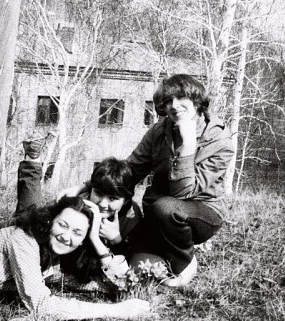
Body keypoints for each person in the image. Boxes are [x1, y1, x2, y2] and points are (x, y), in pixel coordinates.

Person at [63, 74, 235, 287]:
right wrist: (84, 187)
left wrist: (188, 145)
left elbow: (184, 193)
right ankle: (167, 253)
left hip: (201, 213)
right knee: (140, 272)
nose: (174, 106)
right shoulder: (159, 131)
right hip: (156, 215)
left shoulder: (220, 141)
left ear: (197, 101)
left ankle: (185, 261)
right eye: (168, 101)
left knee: (167, 208)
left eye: (181, 98)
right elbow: (131, 169)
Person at [0, 196, 151, 320]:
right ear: (50, 221)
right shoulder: (25, 238)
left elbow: (123, 285)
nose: (66, 236)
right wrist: (114, 311)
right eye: (62, 225)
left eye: (78, 233)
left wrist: (96, 241)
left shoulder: (57, 259)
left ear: (83, 240)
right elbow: (41, 305)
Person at [0, 141, 142, 277]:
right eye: (99, 193)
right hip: (34, 230)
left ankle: (32, 160)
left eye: (113, 199)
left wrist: (116, 239)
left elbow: (127, 266)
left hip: (43, 236)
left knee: (26, 213)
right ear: (91, 189)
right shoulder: (80, 205)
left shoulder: (132, 217)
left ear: (126, 199)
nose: (103, 203)